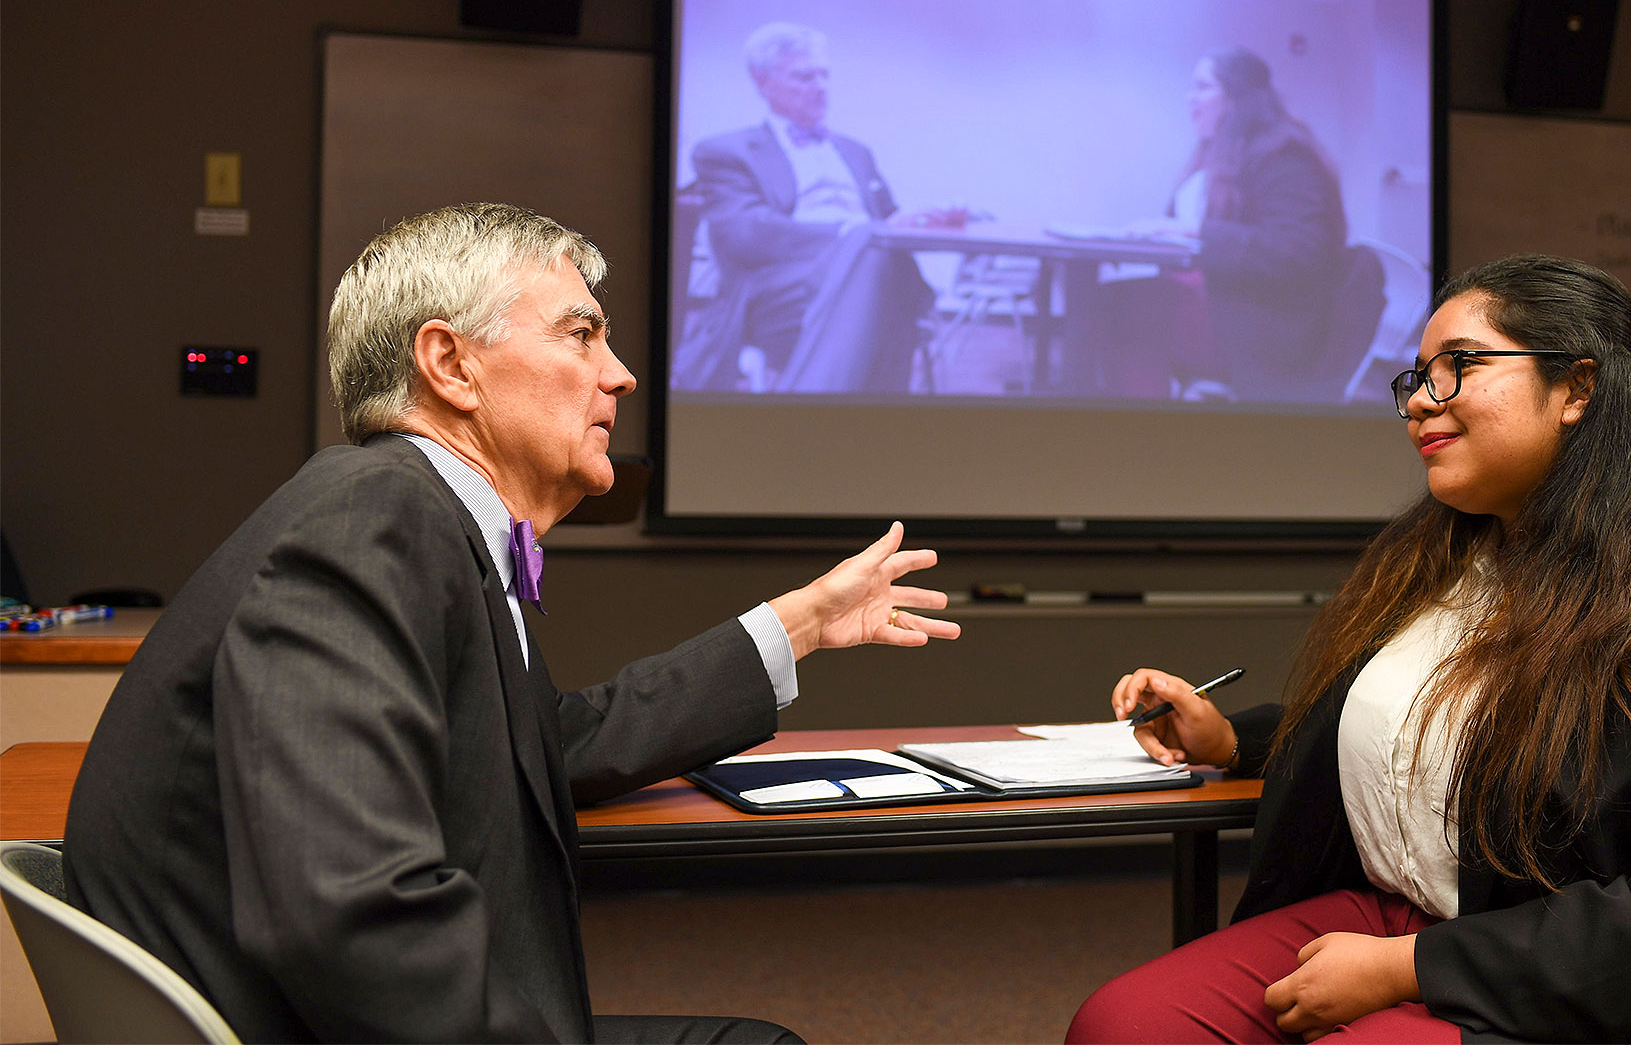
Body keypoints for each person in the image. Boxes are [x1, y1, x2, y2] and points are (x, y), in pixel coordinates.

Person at [61, 203, 961, 1044]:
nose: (621, 374)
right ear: (451, 365)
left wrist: (796, 625)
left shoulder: (420, 519)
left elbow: (548, 747)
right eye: (582, 333)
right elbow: (350, 913)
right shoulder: (374, 521)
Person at [1067, 255, 1631, 1043]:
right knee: (1122, 1025)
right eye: (1416, 378)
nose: (1419, 403)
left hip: (1577, 979)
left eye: (1460, 367)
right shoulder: (1448, 559)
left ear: (1577, 388)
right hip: (1402, 915)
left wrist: (1408, 967)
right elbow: (1421, 727)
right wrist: (1236, 740)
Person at [677, 22, 958, 395]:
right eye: (804, 77)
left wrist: (923, 221)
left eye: (824, 75)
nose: (820, 86)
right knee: (880, 276)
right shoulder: (726, 151)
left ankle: (810, 420)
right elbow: (745, 234)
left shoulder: (856, 152)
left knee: (879, 273)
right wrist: (850, 236)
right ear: (763, 83)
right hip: (783, 292)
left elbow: (887, 220)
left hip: (877, 277)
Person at [1109, 46, 1352, 403]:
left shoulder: (1284, 154)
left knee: (1125, 307)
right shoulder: (1217, 153)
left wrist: (1196, 230)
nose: (1189, 97)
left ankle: (1141, 433)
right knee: (1121, 297)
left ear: (1237, 97)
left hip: (1263, 325)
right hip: (1225, 302)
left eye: (1203, 86)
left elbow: (1299, 251)